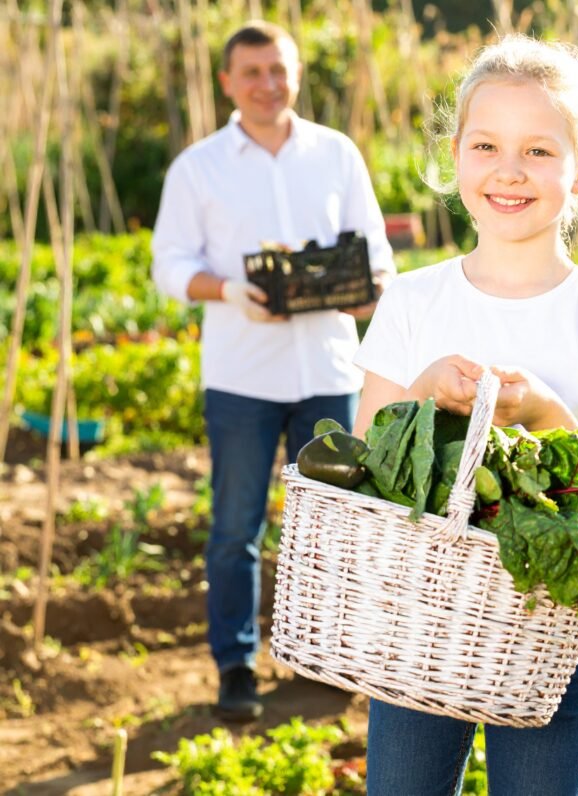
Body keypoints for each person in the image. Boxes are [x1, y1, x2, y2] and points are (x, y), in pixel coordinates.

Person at [352, 35, 578, 795]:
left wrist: (550, 411)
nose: (509, 170)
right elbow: (360, 458)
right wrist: (421, 386)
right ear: (456, 157)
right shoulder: (414, 301)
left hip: (559, 634)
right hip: (419, 623)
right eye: (486, 145)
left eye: (539, 151)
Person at [150, 21, 395, 721]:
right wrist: (231, 292)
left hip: (330, 367)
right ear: (228, 82)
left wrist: (358, 282)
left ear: (295, 75)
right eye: (251, 72)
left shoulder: (336, 154)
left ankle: (326, 657)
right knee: (236, 527)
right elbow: (169, 266)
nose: (267, 84)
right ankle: (235, 664)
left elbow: (377, 255)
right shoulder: (198, 167)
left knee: (332, 525)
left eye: (278, 70)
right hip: (240, 375)